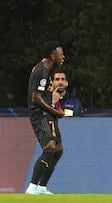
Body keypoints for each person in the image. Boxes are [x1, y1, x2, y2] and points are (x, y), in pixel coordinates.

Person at [25, 41, 66, 194]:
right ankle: (32, 187)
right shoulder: (42, 71)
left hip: (47, 113)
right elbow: (36, 98)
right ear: (52, 55)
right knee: (49, 148)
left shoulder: (46, 70)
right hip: (41, 115)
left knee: (58, 150)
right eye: (61, 54)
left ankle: (41, 187)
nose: (63, 57)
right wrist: (54, 111)